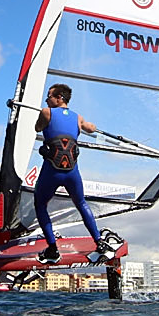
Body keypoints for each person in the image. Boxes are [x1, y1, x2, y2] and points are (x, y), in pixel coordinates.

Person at [32, 83, 117, 264]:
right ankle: (99, 243)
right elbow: (91, 128)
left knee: (40, 205)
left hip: (52, 172)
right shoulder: (78, 118)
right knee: (81, 203)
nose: (46, 99)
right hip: (72, 173)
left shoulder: (46, 112)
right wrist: (90, 126)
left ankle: (53, 249)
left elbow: (37, 128)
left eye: (50, 96)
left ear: (59, 98)